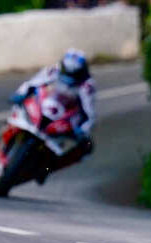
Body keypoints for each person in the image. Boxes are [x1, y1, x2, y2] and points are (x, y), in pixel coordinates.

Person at [8, 48, 96, 184]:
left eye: (74, 73)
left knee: (88, 146)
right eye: (67, 71)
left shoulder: (87, 86)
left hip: (66, 120)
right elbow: (32, 83)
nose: (69, 76)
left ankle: (47, 169)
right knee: (19, 109)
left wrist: (83, 130)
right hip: (44, 106)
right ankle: (9, 136)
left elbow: (89, 112)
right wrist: (20, 94)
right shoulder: (53, 70)